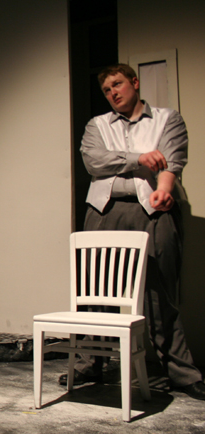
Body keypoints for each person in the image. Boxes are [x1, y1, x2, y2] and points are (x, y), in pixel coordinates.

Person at [62, 63, 205, 400]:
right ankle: (90, 363)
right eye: (107, 90)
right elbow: (95, 161)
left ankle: (181, 372)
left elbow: (171, 160)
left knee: (160, 293)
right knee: (96, 291)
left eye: (118, 84)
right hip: (105, 210)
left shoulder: (167, 119)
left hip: (153, 209)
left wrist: (164, 190)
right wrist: (140, 158)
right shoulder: (97, 125)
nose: (113, 93)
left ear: (134, 82)